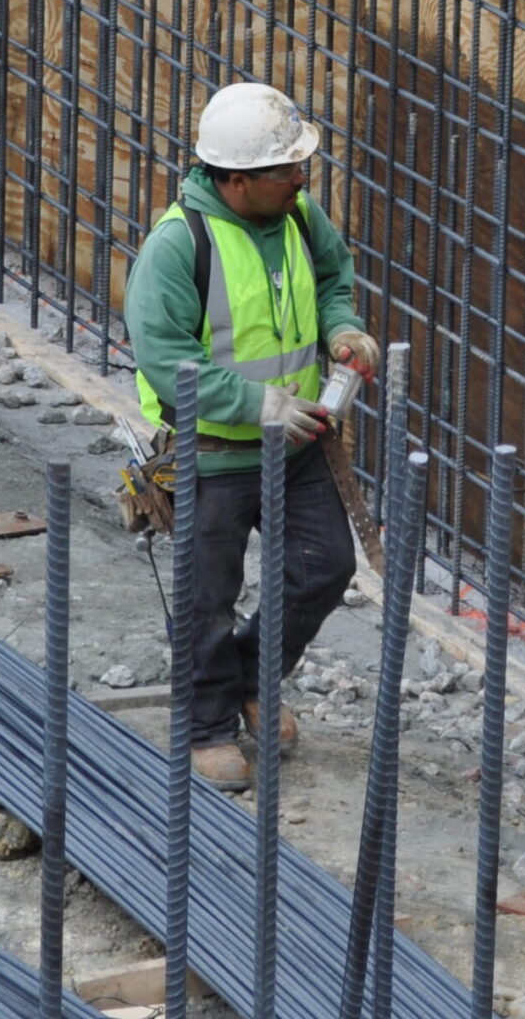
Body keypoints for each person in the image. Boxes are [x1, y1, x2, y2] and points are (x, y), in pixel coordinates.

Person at [124, 82, 381, 790]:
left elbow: (333, 278)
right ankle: (206, 724)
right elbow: (164, 357)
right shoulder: (179, 247)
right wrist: (254, 403)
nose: (301, 178)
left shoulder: (298, 215)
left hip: (297, 444)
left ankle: (252, 677)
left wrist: (342, 327)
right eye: (285, 170)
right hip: (212, 452)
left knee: (325, 568)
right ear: (236, 180)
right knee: (208, 593)